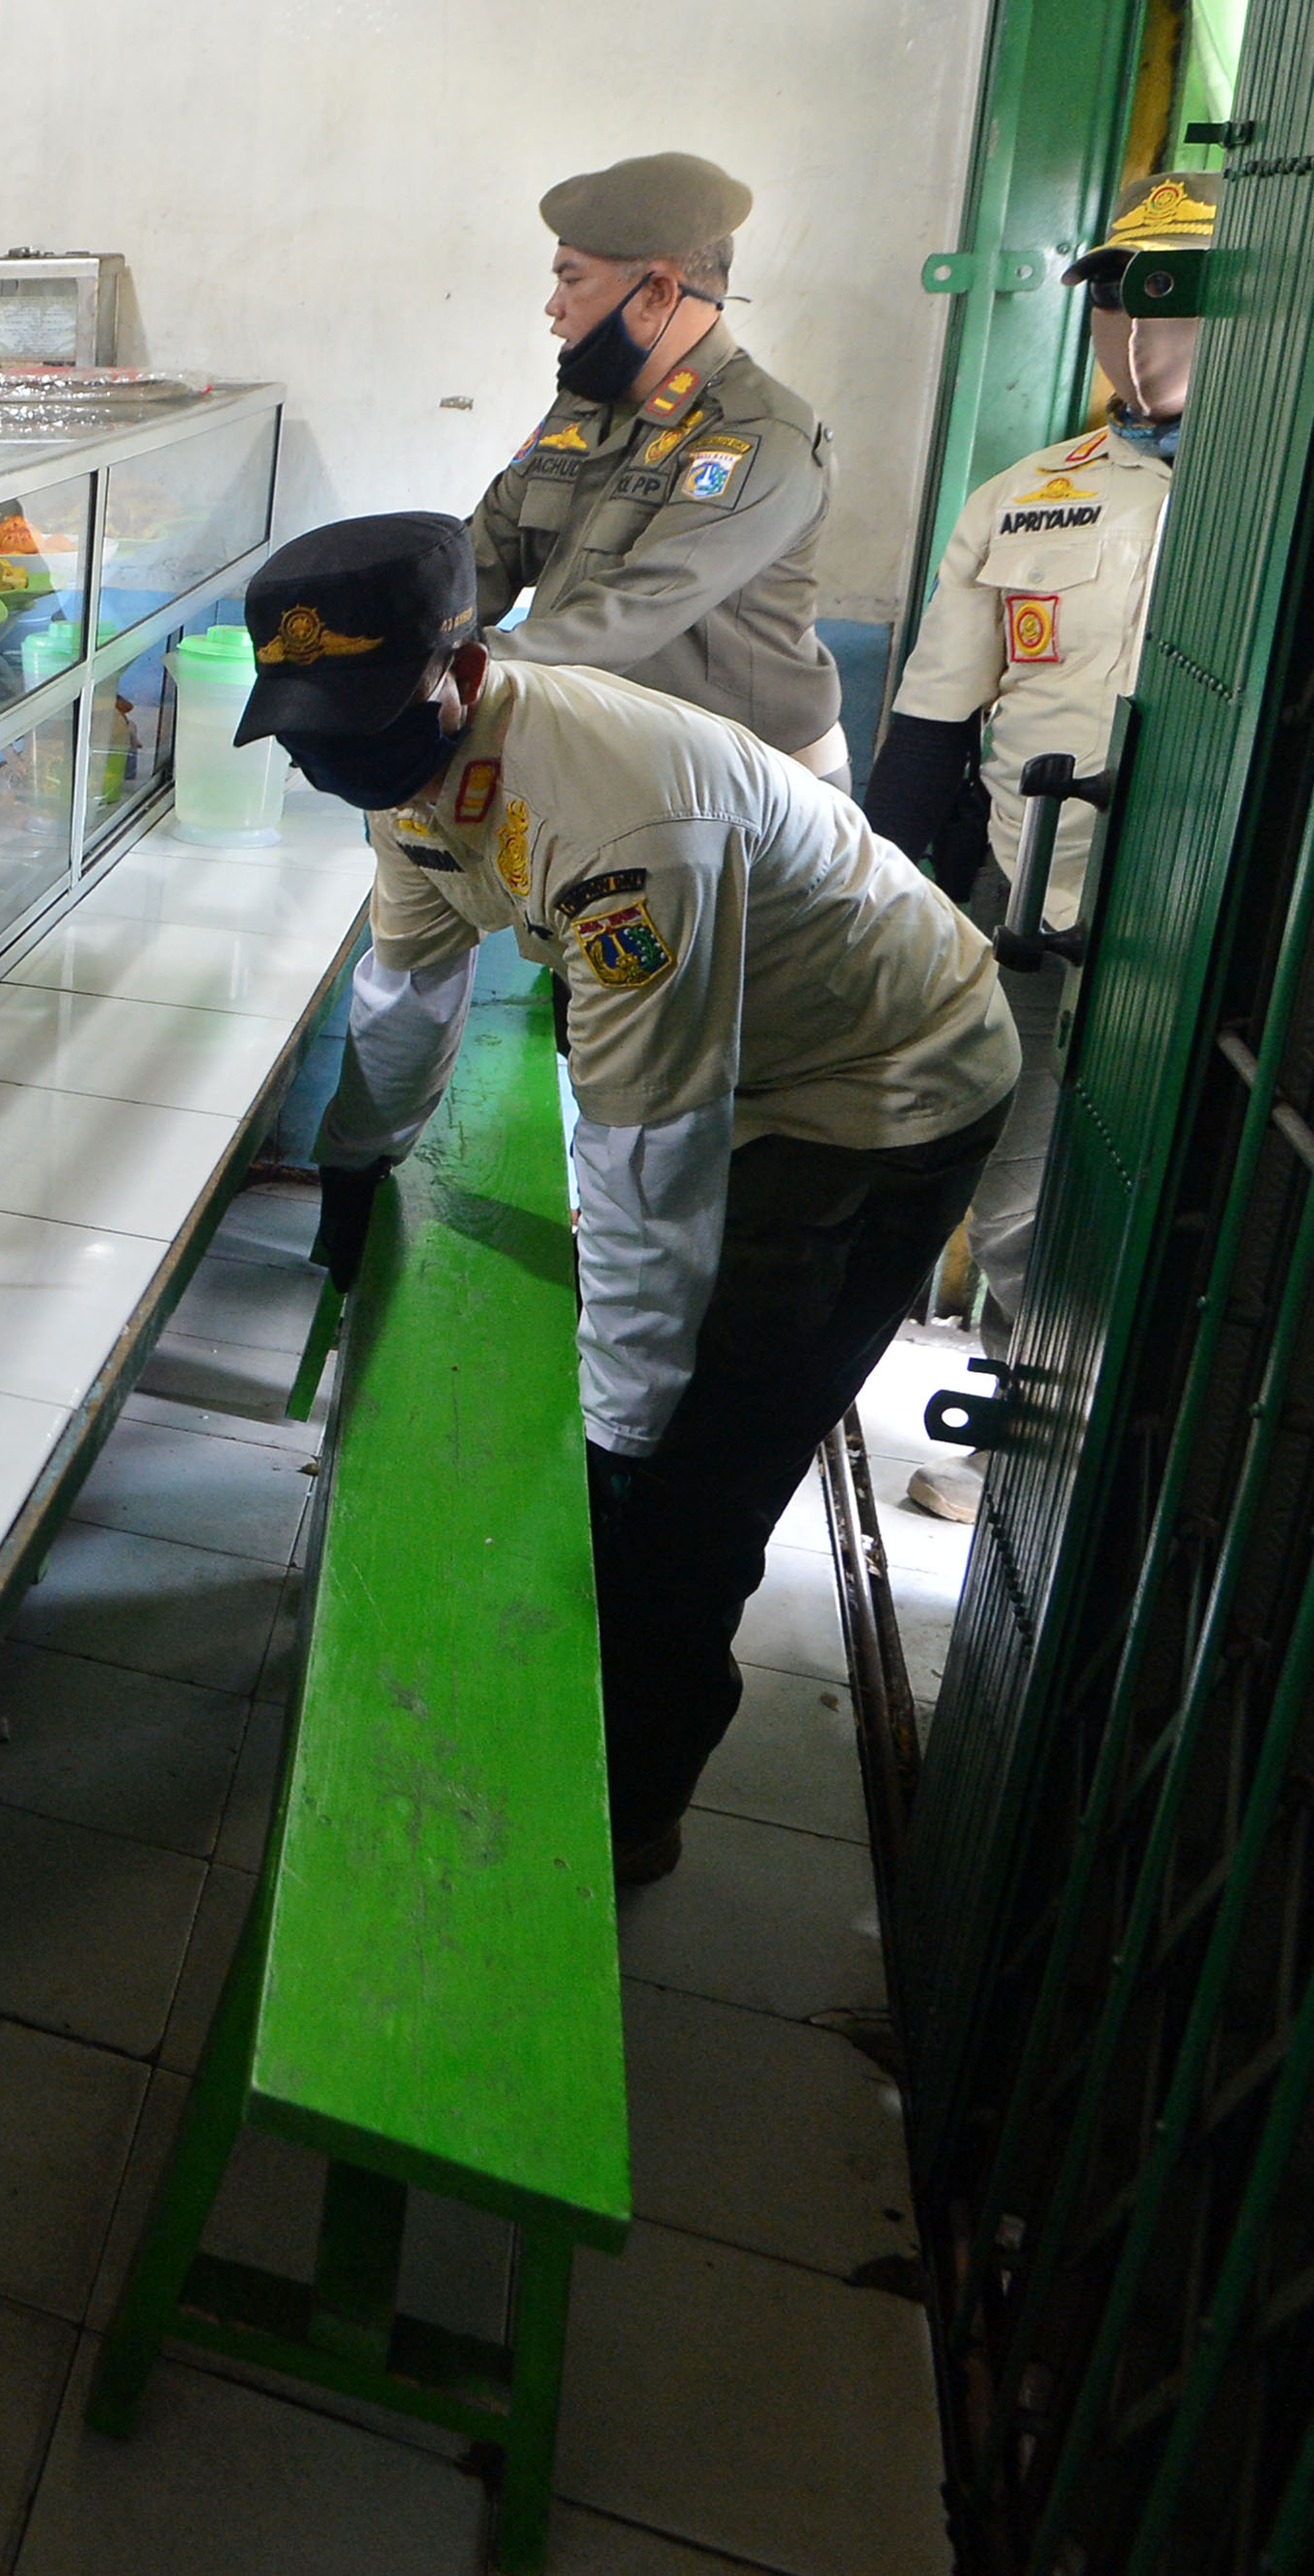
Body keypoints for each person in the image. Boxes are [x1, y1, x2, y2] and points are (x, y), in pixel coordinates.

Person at [250, 514, 1018, 1885]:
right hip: (743, 1057)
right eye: (305, 728)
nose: (336, 758)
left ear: (464, 667)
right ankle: (600, 1675)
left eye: (360, 719)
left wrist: (619, 1439)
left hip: (879, 1088)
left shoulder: (617, 822)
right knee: (646, 1411)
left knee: (694, 1473)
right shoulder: (411, 769)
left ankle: (627, 1813)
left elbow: (649, 1155)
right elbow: (406, 987)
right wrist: (355, 1160)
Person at [866, 170, 1218, 1521]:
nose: (1133, 332)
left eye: (1171, 300)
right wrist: (893, 905)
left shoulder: (1273, 512)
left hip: (1212, 937)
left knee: (1187, 1196)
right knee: (1007, 1178)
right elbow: (929, 725)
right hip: (1033, 897)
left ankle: (1158, 1470)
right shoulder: (1028, 497)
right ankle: (1022, 1431)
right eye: (1113, 298)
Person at [468, 153, 852, 783]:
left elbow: (634, 613)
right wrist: (391, 633)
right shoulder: (586, 409)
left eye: (572, 280)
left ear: (657, 294)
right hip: (615, 760)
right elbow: (489, 549)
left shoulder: (756, 433)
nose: (552, 308)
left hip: (748, 789)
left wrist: (462, 668)